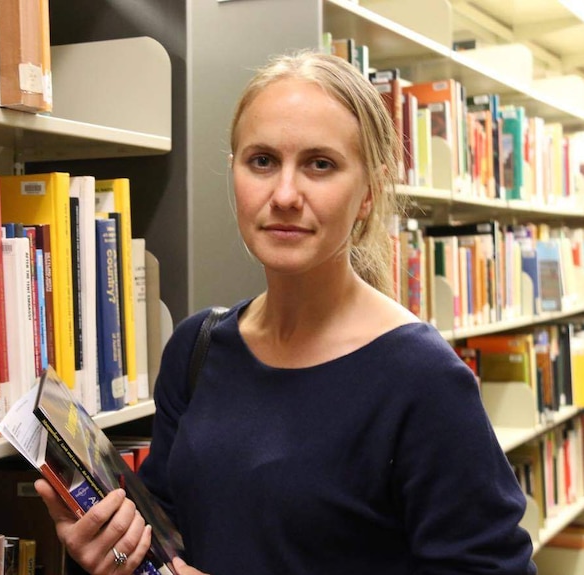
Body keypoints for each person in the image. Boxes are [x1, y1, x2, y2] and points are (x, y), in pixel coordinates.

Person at [35, 50, 537, 575]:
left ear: (368, 191)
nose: (285, 194)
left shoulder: (423, 379)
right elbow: (167, 543)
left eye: (320, 164)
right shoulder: (198, 349)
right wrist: (113, 554)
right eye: (262, 161)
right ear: (234, 172)